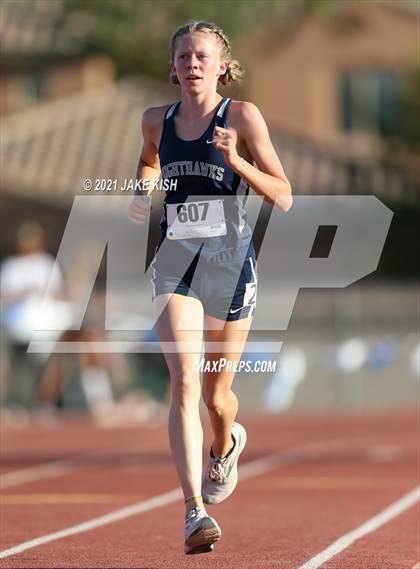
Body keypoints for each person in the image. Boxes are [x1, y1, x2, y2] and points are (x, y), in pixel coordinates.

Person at [128, 20, 292, 555]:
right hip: (175, 260)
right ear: (172, 66)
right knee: (183, 383)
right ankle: (193, 512)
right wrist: (140, 192)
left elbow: (284, 196)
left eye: (202, 56)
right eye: (184, 56)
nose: (193, 64)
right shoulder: (156, 120)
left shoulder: (241, 116)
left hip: (229, 261)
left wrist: (236, 160)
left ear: (222, 65)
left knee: (218, 397)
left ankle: (228, 443)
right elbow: (148, 163)